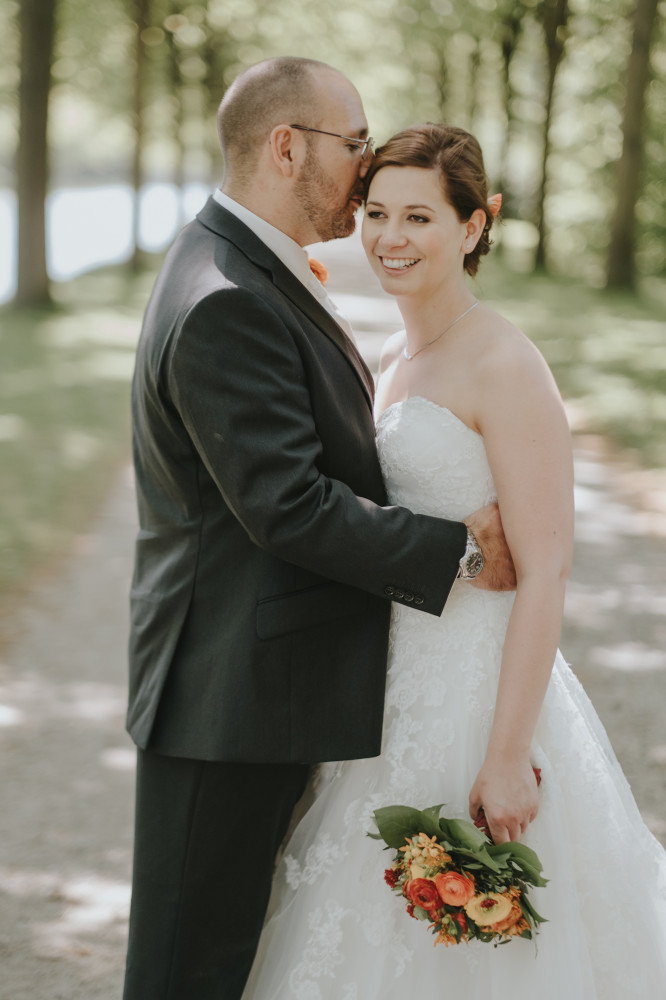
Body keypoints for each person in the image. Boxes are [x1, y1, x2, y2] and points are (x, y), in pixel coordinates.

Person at [240, 124, 666, 999]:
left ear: (476, 226)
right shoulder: (393, 358)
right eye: (378, 213)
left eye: (420, 218)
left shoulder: (505, 363)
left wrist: (507, 753)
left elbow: (546, 571)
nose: (391, 239)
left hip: (481, 696)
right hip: (388, 693)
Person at [122, 63, 515, 1000]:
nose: (369, 162)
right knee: (188, 970)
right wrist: (457, 547)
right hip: (227, 697)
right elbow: (288, 505)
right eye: (356, 142)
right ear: (286, 147)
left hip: (258, 686)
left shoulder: (248, 266)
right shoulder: (228, 296)